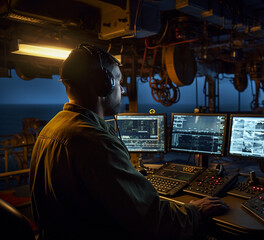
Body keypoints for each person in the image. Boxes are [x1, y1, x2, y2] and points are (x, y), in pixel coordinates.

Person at [29, 44, 228, 240]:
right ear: (103, 84)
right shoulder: (95, 141)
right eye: (119, 81)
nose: (122, 90)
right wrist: (194, 211)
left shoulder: (51, 129)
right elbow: (152, 220)